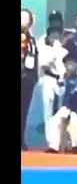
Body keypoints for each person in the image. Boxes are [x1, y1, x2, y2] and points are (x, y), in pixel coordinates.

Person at [21, 8, 39, 150]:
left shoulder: (31, 38)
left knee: (24, 110)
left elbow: (34, 57)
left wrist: (34, 76)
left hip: (28, 78)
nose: (23, 21)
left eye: (26, 18)